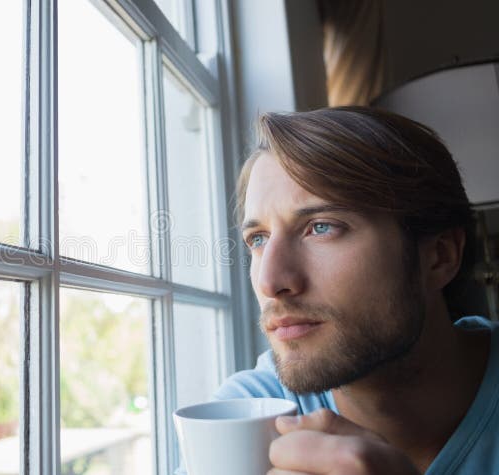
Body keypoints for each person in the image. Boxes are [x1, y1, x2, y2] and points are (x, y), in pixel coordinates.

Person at [187, 107, 498, 474]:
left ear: (440, 256)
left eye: (321, 227)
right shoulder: (250, 412)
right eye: (258, 238)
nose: (270, 282)